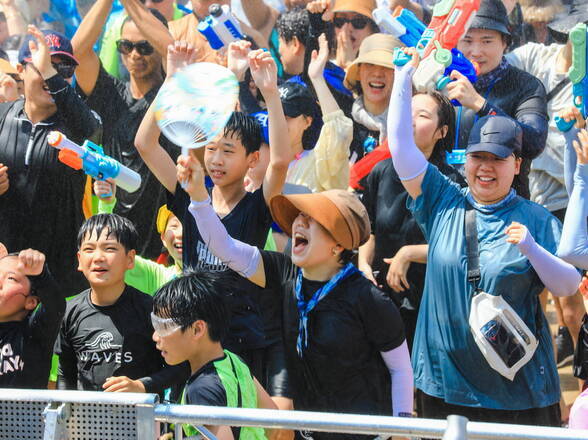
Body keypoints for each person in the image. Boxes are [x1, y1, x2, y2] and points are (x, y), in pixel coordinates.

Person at [387, 48, 580, 425]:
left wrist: (531, 248)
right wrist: (402, 77)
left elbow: (569, 284)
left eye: (498, 158)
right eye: (478, 157)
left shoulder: (535, 219)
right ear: (466, 158)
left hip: (517, 394)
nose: (485, 168)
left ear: (517, 164)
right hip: (442, 387)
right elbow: (400, 148)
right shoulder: (443, 199)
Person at [180, 158, 414, 433]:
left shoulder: (367, 297)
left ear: (338, 245)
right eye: (299, 216)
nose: (299, 223)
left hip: (364, 432)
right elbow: (225, 247)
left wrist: (402, 431)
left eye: (312, 220)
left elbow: (401, 369)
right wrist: (198, 196)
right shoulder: (283, 272)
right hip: (309, 431)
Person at [135, 42, 290, 377]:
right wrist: (172, 80)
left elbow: (279, 162)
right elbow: (144, 144)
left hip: (244, 339)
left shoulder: (256, 205)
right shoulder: (191, 192)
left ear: (252, 159)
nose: (216, 159)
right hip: (193, 335)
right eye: (212, 148)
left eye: (228, 151)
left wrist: (271, 93)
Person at [506, 14, 587, 369]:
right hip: (527, 191)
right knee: (527, 292)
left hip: (569, 199)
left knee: (568, 299)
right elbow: (493, 63)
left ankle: (582, 381)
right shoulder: (536, 57)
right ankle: (536, 373)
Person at [358, 88, 465, 350]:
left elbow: (457, 245)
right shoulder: (380, 173)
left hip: (433, 302)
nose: (411, 120)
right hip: (384, 299)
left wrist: (409, 254)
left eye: (423, 115)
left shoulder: (452, 184)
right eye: (407, 112)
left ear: (442, 131)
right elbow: (369, 231)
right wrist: (363, 264)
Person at [0, 25, 101, 297]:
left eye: (63, 70)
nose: (52, 75)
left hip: (62, 273)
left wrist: (47, 71)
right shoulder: (1, 117)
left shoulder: (78, 123)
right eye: (43, 66)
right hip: (6, 271)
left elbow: (91, 128)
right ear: (20, 69)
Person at [72, 0, 176, 260]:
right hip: (115, 236)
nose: (134, 55)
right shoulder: (110, 94)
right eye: (126, 46)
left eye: (144, 47)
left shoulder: (173, 93)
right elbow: (78, 52)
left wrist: (130, 4)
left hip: (165, 238)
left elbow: (173, 51)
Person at [55, 214, 189, 393]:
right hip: (87, 419)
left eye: (109, 248)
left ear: (130, 259)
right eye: (89, 249)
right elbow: (66, 373)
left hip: (142, 418)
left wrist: (141, 386)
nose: (98, 257)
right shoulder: (70, 312)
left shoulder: (150, 310)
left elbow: (182, 366)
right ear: (79, 259)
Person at [152, 270, 277, 439]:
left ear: (197, 329)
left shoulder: (202, 388)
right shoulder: (234, 362)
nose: (155, 336)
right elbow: (278, 427)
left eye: (163, 326)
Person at [453, 0, 549, 199]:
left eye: (487, 41)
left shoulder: (526, 85)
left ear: (505, 43)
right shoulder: (439, 81)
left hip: (508, 208)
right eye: (467, 40)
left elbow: (534, 142)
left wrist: (480, 104)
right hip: (446, 205)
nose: (476, 51)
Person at [94, 179, 183, 295]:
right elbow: (111, 255)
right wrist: (106, 205)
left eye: (188, 226)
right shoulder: (155, 277)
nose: (181, 233)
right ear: (163, 238)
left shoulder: (213, 271)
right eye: (174, 226)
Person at [0, 246, 65, 389]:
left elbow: (56, 306)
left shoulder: (34, 332)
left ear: (31, 302)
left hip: (26, 411)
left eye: (11, 278)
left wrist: (41, 275)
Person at [343, 33, 402, 162]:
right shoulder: (343, 120)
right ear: (358, 72)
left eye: (386, 66)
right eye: (370, 64)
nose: (377, 73)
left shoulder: (410, 126)